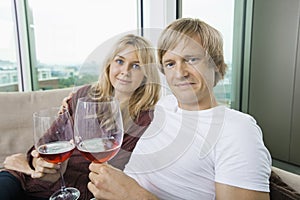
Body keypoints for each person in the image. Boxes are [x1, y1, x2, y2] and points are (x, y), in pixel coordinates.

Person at [87, 18, 272, 200]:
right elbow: (127, 99)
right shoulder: (164, 106)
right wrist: (75, 100)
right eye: (170, 63)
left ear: (215, 65)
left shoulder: (237, 130)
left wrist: (134, 196)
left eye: (191, 60)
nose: (180, 73)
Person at [0, 34, 161, 200]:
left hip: (74, 192)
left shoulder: (145, 120)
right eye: (119, 61)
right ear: (109, 65)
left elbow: (109, 176)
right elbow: (46, 143)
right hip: (25, 180)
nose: (125, 71)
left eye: (136, 66)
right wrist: (35, 165)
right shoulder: (84, 95)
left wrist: (57, 172)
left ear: (146, 74)